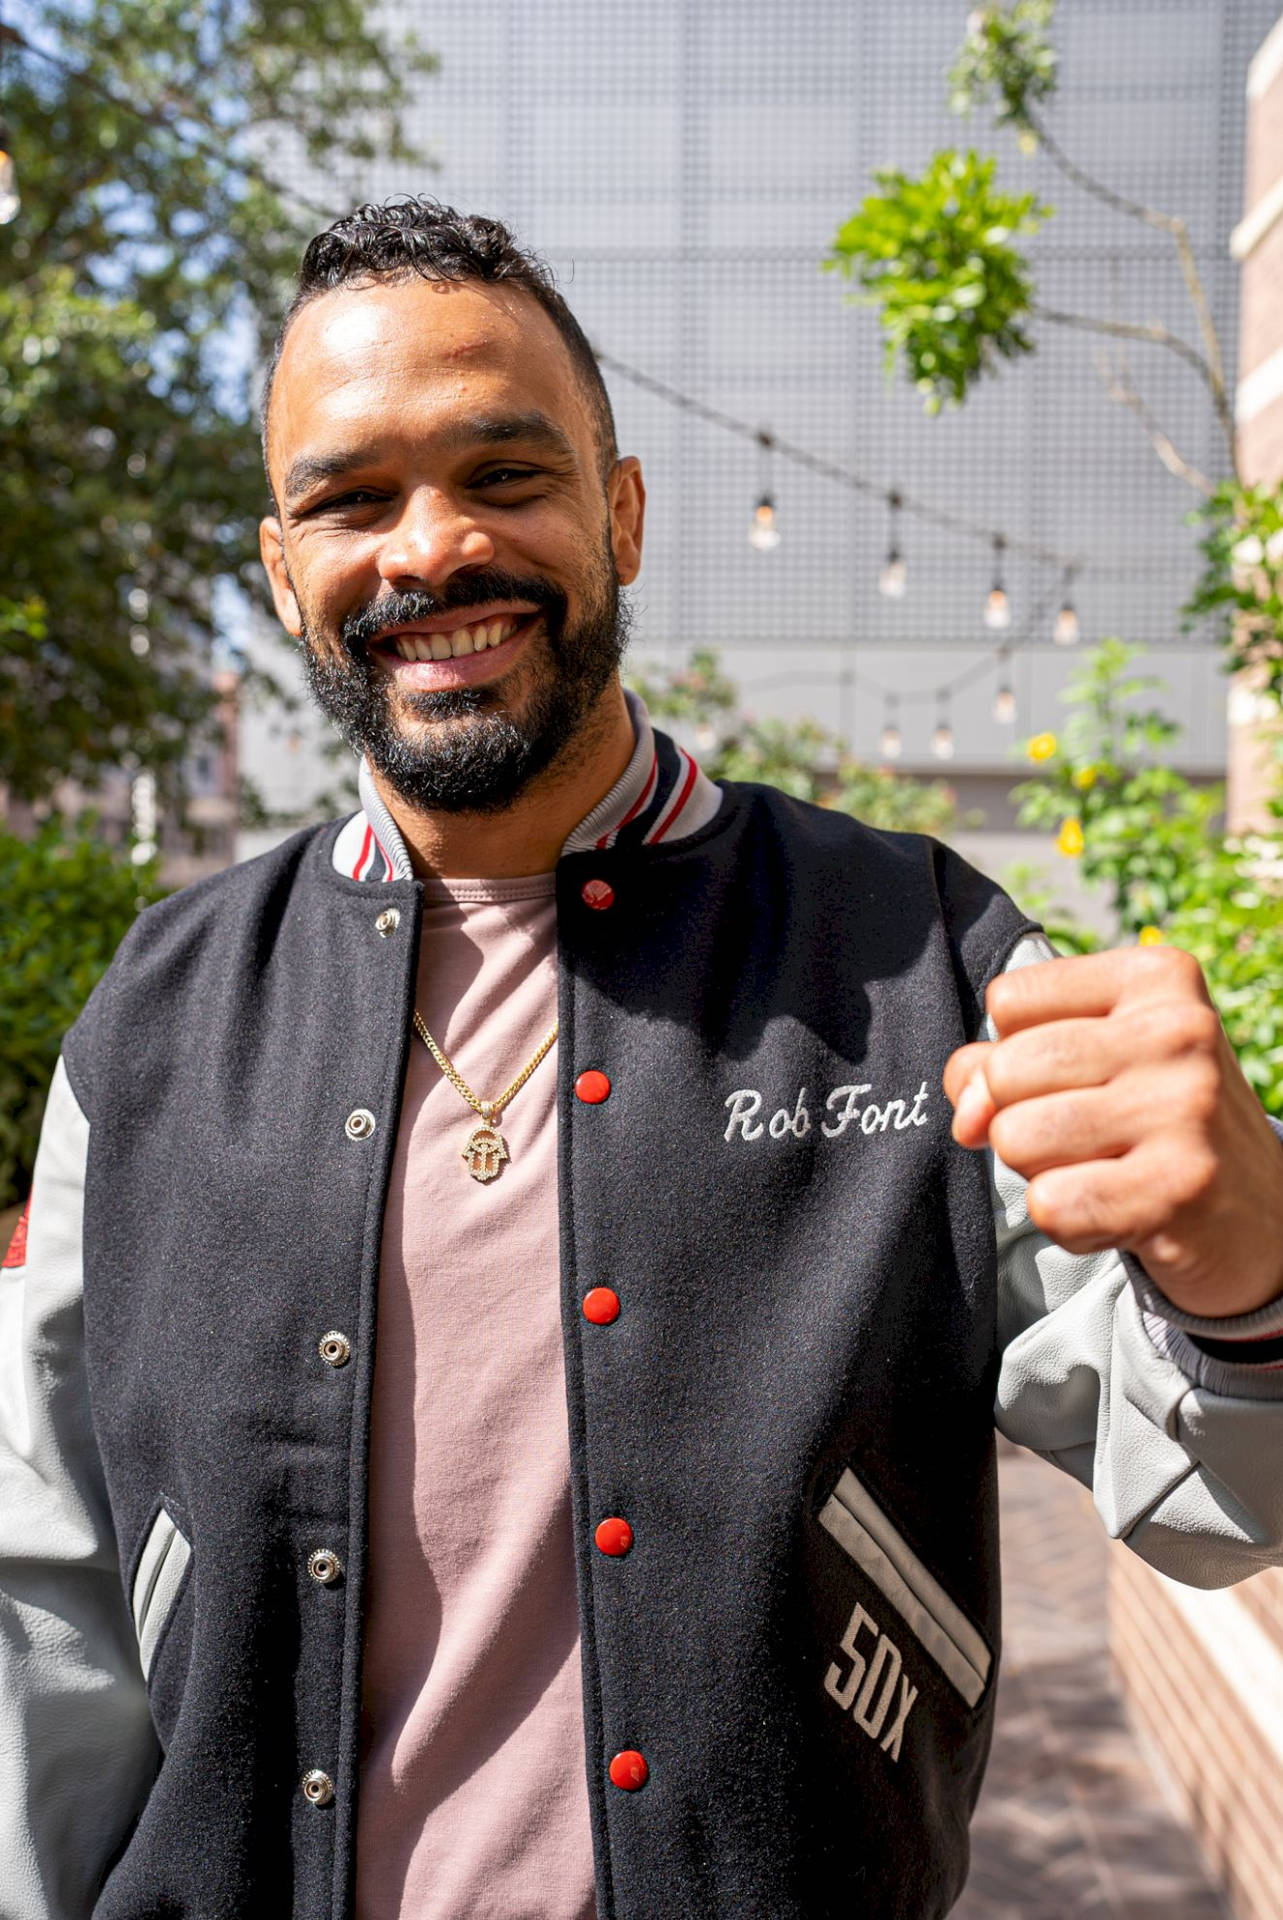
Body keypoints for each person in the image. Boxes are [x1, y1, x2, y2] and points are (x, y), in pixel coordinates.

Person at [4, 197, 1283, 1920]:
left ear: (618, 515)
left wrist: (1251, 1261)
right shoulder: (155, 1025)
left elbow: (1219, 1498)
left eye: (505, 476)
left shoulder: (922, 959)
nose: (430, 549)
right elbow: (47, 1606)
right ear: (284, 572)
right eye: (351, 500)